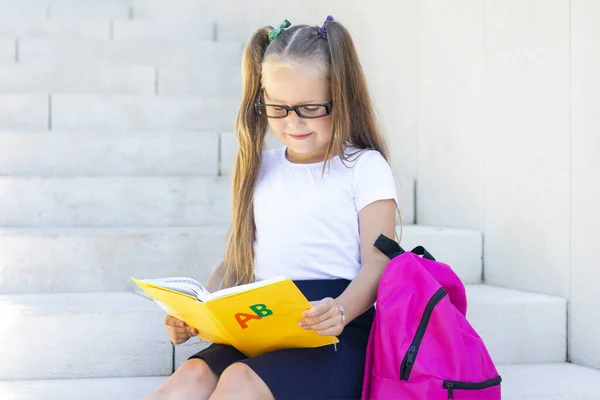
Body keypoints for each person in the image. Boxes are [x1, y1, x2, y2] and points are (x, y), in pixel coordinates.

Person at [143, 15, 400, 400]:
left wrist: (342, 311)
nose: (292, 123)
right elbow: (236, 261)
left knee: (239, 382)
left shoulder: (364, 167)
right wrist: (197, 314)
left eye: (309, 108)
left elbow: (379, 263)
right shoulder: (262, 166)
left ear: (341, 97)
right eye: (276, 108)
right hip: (261, 321)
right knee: (192, 374)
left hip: (331, 330)